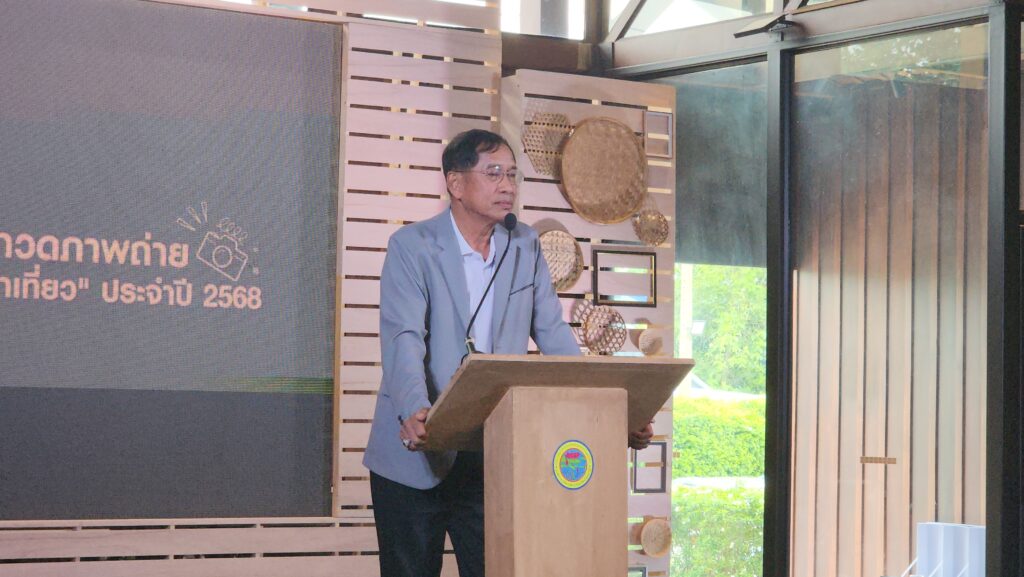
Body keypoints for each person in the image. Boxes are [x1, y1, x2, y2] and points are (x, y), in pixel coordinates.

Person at [362, 129, 654, 577]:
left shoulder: (524, 244)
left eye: (512, 175)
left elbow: (553, 334)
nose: (507, 186)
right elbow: (404, 338)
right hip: (415, 452)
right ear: (455, 184)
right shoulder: (412, 246)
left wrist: (611, 412)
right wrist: (414, 409)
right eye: (493, 173)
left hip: (490, 450)